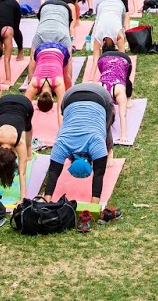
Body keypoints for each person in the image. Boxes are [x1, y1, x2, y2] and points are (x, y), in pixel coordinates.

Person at [35, 82, 120, 233]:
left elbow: (54, 173)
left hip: (91, 96)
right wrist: (94, 206)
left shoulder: (71, 144)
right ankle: (110, 149)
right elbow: (98, 174)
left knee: (104, 127)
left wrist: (46, 200)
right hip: (73, 97)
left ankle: (110, 149)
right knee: (103, 127)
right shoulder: (63, 143)